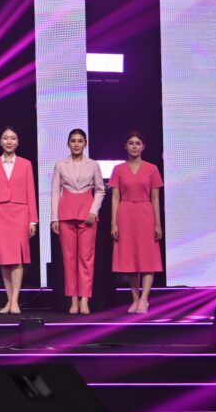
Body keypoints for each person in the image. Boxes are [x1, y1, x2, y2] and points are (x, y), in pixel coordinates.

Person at [0, 127, 38, 314]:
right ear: (0, 141)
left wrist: (33, 220)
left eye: (13, 138)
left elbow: (31, 192)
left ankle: (15, 301)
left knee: (18, 258)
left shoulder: (26, 164)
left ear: (18, 142)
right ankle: (9, 300)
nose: (9, 141)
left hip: (20, 213)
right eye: (5, 138)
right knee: (4, 259)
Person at [50, 129, 105, 314]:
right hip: (65, 214)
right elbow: (55, 191)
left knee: (86, 257)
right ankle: (73, 299)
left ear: (85, 143)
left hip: (87, 215)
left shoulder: (93, 165)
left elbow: (100, 190)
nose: (76, 144)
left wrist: (93, 211)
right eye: (73, 141)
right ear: (68, 144)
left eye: (80, 141)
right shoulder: (60, 164)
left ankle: (85, 299)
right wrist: (54, 218)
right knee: (69, 258)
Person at [110, 131, 163, 314]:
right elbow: (115, 198)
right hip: (125, 214)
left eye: (138, 143)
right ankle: (135, 298)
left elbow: (155, 198)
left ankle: (144, 299)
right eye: (131, 143)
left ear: (143, 147)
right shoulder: (118, 169)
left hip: (145, 213)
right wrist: (114, 223)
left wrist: (157, 224)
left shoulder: (152, 169)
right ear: (126, 146)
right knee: (130, 259)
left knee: (147, 258)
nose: (134, 146)